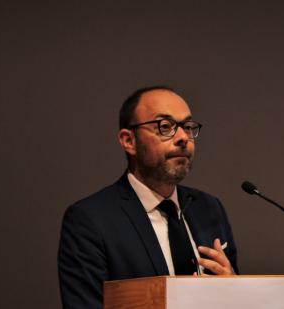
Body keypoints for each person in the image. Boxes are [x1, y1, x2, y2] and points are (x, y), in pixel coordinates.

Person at [58, 86, 238, 308]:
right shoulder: (90, 220)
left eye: (188, 127)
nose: (183, 137)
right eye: (165, 127)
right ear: (128, 141)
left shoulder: (209, 208)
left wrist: (234, 288)